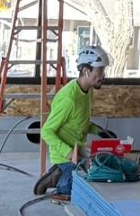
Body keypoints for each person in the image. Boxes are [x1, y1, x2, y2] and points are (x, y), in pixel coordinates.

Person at [30, 42, 110, 200]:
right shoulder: (69, 98)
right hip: (65, 154)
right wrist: (67, 154)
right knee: (70, 194)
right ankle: (57, 177)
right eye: (100, 70)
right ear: (86, 71)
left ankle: (61, 172)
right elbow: (46, 131)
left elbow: (79, 120)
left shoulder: (87, 90)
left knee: (96, 176)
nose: (103, 75)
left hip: (77, 150)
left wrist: (99, 131)